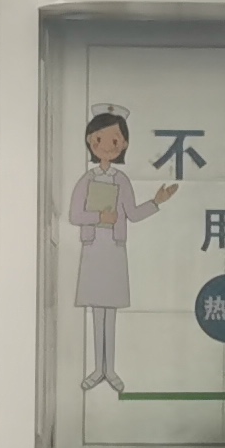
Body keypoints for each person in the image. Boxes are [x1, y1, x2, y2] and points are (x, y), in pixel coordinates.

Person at [65, 110, 177, 391]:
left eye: (114, 140)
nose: (106, 145)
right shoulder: (86, 179)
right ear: (90, 140)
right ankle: (97, 369)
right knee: (97, 311)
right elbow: (75, 215)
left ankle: (110, 370)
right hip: (93, 247)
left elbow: (133, 214)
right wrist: (99, 217)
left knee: (110, 312)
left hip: (114, 249)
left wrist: (156, 202)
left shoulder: (122, 180)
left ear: (124, 144)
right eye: (99, 139)